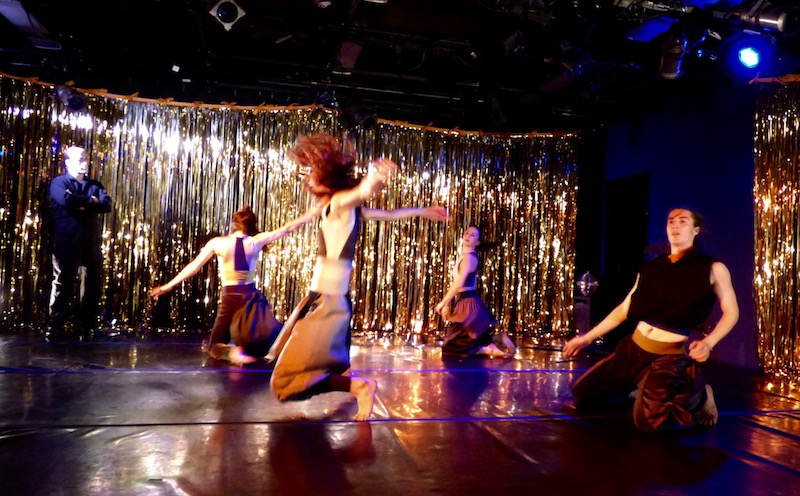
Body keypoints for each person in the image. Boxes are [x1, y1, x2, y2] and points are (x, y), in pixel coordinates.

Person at [267, 133, 450, 421]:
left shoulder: (341, 202)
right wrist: (422, 211)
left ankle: (361, 387)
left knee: (284, 382)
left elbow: (363, 191)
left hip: (329, 303)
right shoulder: (330, 207)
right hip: (320, 299)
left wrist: (376, 176)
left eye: (313, 173)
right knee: (301, 373)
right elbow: (388, 214)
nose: (308, 179)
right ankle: (354, 383)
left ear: (327, 178)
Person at [562, 207, 739, 432]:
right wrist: (586, 338)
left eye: (683, 221)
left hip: (667, 357)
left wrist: (708, 343)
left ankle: (699, 399)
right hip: (632, 350)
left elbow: (731, 312)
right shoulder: (652, 267)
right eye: (671, 221)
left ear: (696, 230)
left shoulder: (712, 268)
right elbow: (624, 309)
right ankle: (638, 385)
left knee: (648, 421)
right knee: (582, 394)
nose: (675, 225)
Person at [151, 205, 319, 366]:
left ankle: (232, 353)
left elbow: (194, 267)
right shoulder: (256, 241)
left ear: (233, 224)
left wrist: (168, 285)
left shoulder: (218, 243)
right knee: (267, 336)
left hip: (231, 296)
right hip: (251, 296)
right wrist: (311, 213)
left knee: (214, 344)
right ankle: (295, 346)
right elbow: (288, 228)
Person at [48, 145, 113, 340]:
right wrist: (90, 202)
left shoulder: (95, 185)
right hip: (66, 243)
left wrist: (85, 203)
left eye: (85, 158)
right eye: (79, 159)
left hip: (89, 243)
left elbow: (106, 205)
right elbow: (66, 201)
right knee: (62, 284)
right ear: (67, 163)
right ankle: (55, 326)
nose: (84, 162)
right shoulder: (58, 183)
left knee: (91, 286)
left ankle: (89, 326)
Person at [435, 225, 515, 358]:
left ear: (477, 242)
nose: (468, 236)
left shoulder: (469, 258)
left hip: (469, 304)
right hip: (464, 301)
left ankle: (488, 349)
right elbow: (456, 283)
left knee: (452, 347)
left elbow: (459, 283)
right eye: (467, 233)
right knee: (466, 338)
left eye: (473, 235)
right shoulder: (464, 256)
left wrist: (444, 302)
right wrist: (448, 304)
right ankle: (497, 339)